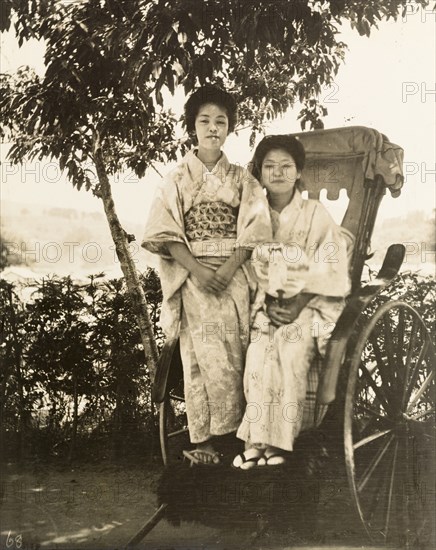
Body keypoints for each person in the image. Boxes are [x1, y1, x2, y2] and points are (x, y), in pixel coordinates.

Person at [142, 86, 271, 465]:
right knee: (198, 359)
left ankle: (238, 437)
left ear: (229, 128)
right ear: (192, 127)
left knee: (237, 355)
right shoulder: (176, 178)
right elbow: (165, 232)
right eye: (204, 121)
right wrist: (198, 270)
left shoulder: (243, 180)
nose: (212, 128)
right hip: (193, 277)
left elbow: (255, 228)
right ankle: (205, 442)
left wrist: (229, 267)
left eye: (221, 122)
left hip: (234, 276)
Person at [232, 134, 354, 469]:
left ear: (298, 172)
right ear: (260, 172)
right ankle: (255, 442)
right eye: (269, 166)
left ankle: (280, 444)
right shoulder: (253, 215)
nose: (277, 172)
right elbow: (248, 266)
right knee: (258, 355)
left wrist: (299, 300)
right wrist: (267, 301)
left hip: (310, 304)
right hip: (267, 305)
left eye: (286, 165)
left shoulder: (315, 213)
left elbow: (332, 268)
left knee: (288, 346)